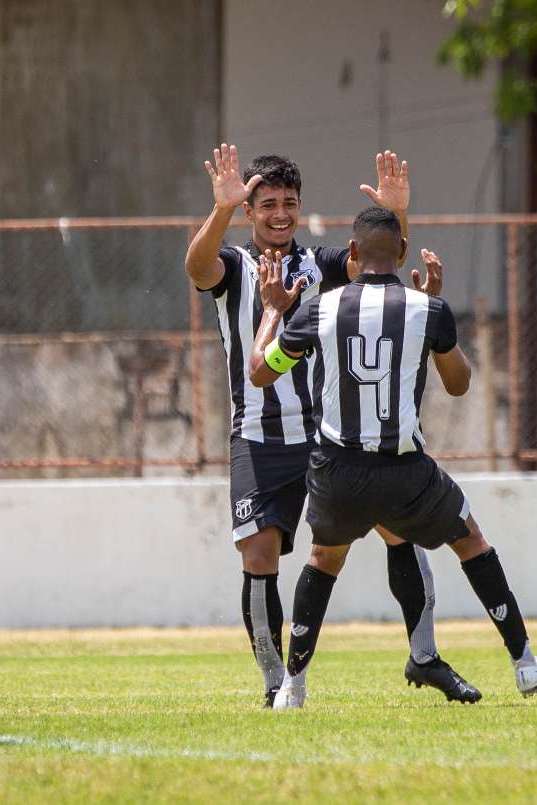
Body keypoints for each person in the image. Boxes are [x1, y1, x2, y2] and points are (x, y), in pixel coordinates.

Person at [183, 145, 479, 707]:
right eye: (265, 203)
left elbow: (382, 264)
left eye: (288, 203)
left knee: (401, 531)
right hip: (259, 436)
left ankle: (424, 656)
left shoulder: (318, 265)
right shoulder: (235, 266)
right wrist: (220, 208)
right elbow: (197, 268)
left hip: (328, 436)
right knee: (260, 555)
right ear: (249, 211)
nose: (279, 213)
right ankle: (276, 685)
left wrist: (398, 214)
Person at [247, 206, 537, 709]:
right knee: (471, 542)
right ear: (403, 253)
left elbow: (260, 372)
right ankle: (524, 664)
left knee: (323, 559)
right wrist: (434, 325)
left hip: (337, 470)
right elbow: (459, 386)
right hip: (405, 471)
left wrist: (271, 310)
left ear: (351, 253)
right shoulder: (427, 310)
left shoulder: (319, 309)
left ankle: (292, 687)